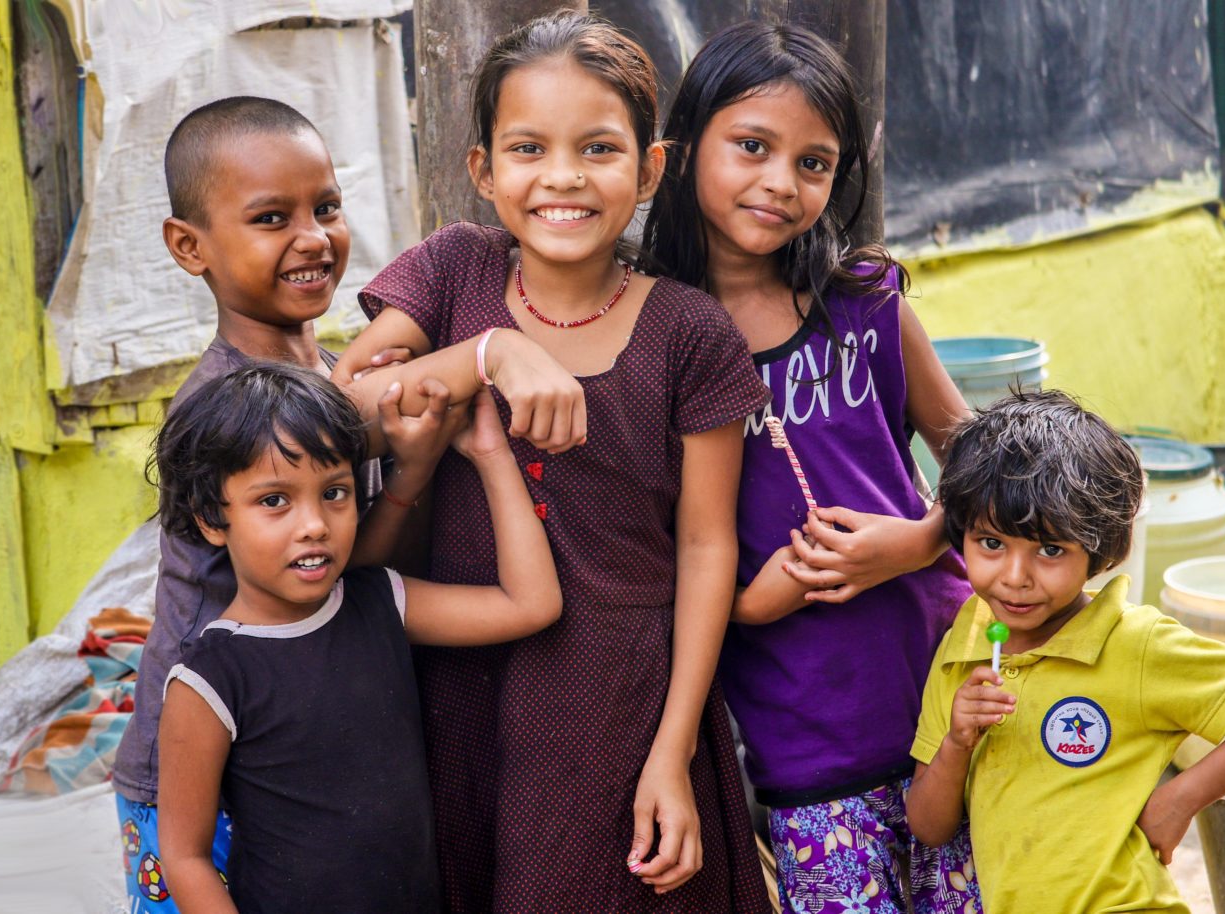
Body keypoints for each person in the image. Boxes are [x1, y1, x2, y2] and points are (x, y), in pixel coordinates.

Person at [331, 12, 771, 911]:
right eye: (528, 148)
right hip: (459, 693)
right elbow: (343, 412)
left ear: (650, 169)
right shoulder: (453, 274)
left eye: (599, 148)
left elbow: (705, 550)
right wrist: (487, 353)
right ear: (483, 170)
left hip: (617, 705)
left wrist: (675, 749)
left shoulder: (690, 334)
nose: (562, 177)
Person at [113, 95, 581, 913]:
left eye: (326, 207)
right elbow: (357, 408)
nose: (313, 237)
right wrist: (497, 348)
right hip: (201, 757)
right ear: (189, 246)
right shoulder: (226, 404)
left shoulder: (331, 374)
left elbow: (359, 569)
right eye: (270, 217)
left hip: (311, 742)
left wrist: (412, 471)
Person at [642, 22, 981, 914]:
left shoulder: (865, 298)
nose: (780, 183)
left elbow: (985, 460)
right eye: (751, 146)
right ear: (680, 151)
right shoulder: (651, 335)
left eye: (814, 163)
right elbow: (653, 546)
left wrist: (917, 542)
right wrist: (760, 598)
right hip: (806, 739)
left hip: (946, 702)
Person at [153, 363, 561, 913]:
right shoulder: (209, 681)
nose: (315, 524)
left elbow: (531, 604)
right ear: (211, 518)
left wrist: (492, 457)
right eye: (274, 500)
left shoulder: (379, 602)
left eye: (335, 492)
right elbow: (186, 857)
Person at [907, 389, 1225, 913]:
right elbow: (928, 825)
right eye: (991, 543)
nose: (1015, 579)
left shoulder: (1134, 644)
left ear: (1099, 551)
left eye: (1051, 550)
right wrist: (957, 742)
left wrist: (1182, 798)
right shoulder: (964, 647)